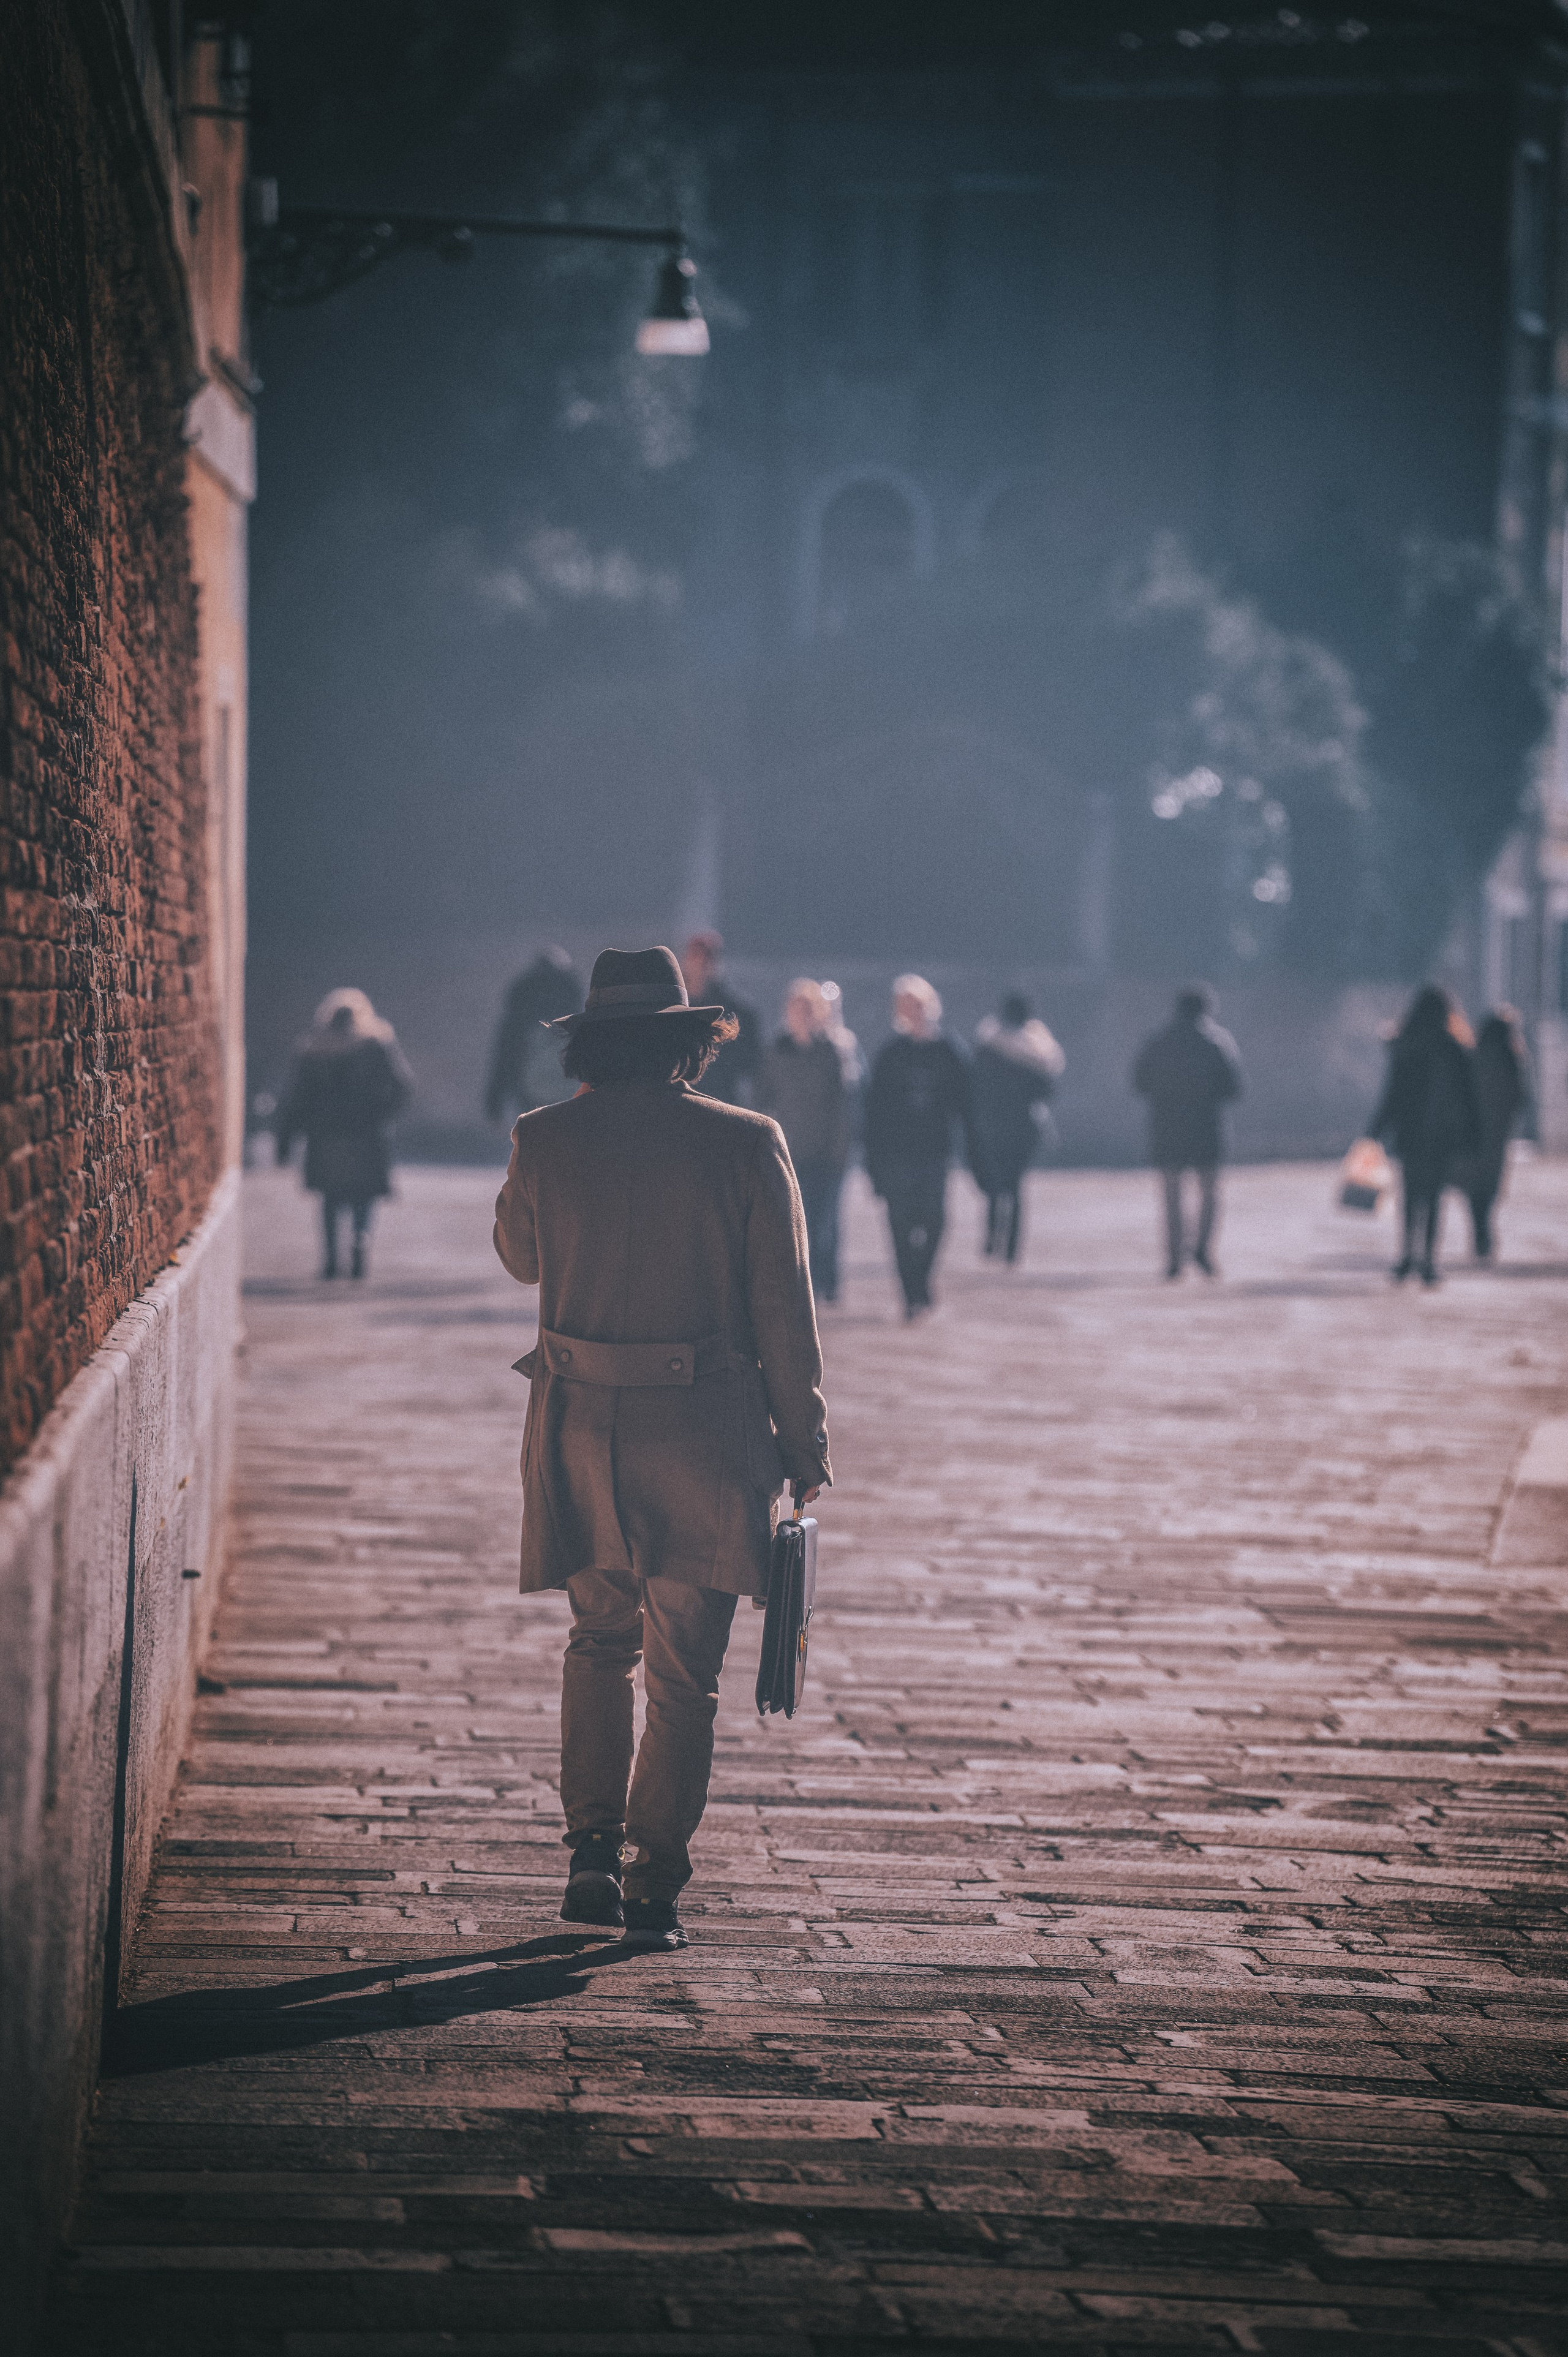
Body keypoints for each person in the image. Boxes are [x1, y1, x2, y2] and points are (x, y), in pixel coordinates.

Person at [492, 945, 831, 1952]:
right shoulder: (747, 1140)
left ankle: (589, 1849)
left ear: (591, 1042)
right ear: (688, 1039)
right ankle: (650, 1886)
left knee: (597, 1643)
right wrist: (803, 1440)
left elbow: (520, 1256)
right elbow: (783, 1301)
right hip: (709, 1435)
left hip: (581, 1431)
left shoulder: (544, 1137)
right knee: (685, 1677)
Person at [274, 989, 413, 1280]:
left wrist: (286, 1140)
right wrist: (383, 1114)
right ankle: (360, 1242)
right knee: (363, 1196)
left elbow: (296, 1098)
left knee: (330, 1198)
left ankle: (332, 1261)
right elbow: (402, 1086)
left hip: (326, 1135)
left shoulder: (313, 1049)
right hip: (367, 1134)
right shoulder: (376, 1045)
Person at [864, 974, 976, 1321]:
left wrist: (975, 1153)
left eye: (920, 1005)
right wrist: (873, 1161)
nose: (915, 1012)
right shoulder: (890, 1054)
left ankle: (921, 1279)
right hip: (896, 1154)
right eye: (907, 1007)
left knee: (935, 1221)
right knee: (900, 1224)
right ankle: (910, 1292)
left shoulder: (950, 1051)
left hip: (935, 1151)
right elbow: (875, 1111)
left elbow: (967, 1105)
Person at [1370, 983, 1482, 1285]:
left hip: (1411, 1134)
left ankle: (1407, 1256)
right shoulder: (1455, 1047)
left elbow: (1393, 1094)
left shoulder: (1407, 1045)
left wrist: (1375, 1131)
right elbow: (1469, 1098)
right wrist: (1473, 1137)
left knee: (1410, 1197)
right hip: (1443, 1136)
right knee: (1433, 1198)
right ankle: (1429, 1262)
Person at [1131, 983, 1244, 1280]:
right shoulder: (1218, 1043)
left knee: (1172, 1194)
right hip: (1207, 1127)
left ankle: (1174, 1257)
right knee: (1209, 1193)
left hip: (1167, 1127)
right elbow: (1234, 1089)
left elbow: (1139, 1083)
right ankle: (1203, 1251)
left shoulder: (1157, 1042)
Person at [758, 979, 853, 1303]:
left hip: (825, 1153)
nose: (802, 1016)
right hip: (789, 1152)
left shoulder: (831, 1052)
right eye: (797, 1009)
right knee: (795, 1225)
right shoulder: (775, 1051)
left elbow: (841, 1105)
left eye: (808, 1009)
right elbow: (763, 1099)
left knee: (825, 1223)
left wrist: (840, 1151)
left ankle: (828, 1282)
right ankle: (802, 1285)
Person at [972, 992, 1066, 1264]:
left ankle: (992, 1237)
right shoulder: (1040, 1049)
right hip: (1025, 1126)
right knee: (1016, 1187)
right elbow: (1047, 1090)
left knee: (994, 1183)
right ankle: (1012, 1248)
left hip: (992, 1123)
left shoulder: (988, 1044)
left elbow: (977, 1085)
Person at [1462, 1007, 1532, 1260]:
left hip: (1475, 1131)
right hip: (1498, 1134)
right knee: (1491, 1185)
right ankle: (1484, 1231)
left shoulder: (1475, 1056)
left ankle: (1480, 1229)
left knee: (1475, 1186)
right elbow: (1522, 1097)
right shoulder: (1513, 1060)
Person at [483, 946, 582, 1122]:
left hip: (531, 1096)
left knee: (535, 1140)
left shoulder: (520, 1021)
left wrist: (495, 1100)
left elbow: (506, 1060)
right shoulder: (577, 1020)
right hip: (568, 1096)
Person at [680, 930, 761, 1106]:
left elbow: (749, 1063)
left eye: (706, 959)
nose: (701, 965)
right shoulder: (736, 1012)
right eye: (696, 958)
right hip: (684, 1098)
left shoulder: (736, 1014)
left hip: (719, 1098)